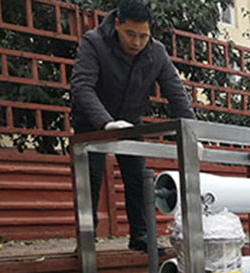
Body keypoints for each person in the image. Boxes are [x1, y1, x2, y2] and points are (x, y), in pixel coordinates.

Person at [70, 0, 196, 252]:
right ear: (117, 24)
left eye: (143, 36)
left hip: (130, 122)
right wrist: (105, 122)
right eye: (130, 34)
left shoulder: (156, 52)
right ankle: (86, 240)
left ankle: (141, 235)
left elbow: (177, 95)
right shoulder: (94, 42)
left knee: (138, 178)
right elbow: (81, 86)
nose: (136, 42)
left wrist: (193, 135)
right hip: (92, 123)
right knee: (89, 180)